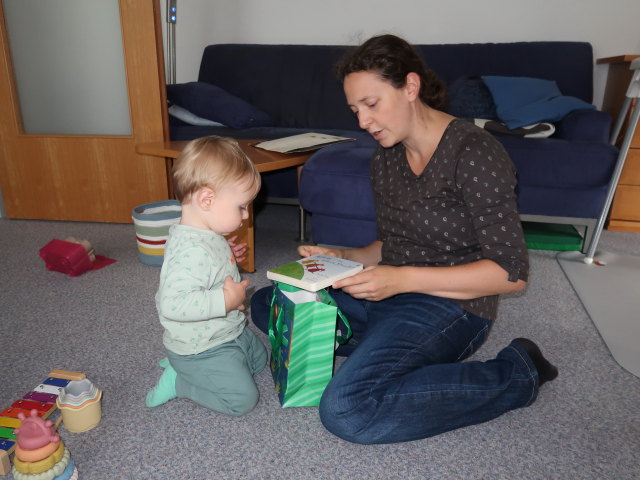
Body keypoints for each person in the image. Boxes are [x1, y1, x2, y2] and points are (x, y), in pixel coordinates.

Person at [251, 34, 558, 444]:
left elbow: (511, 274)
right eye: (355, 109)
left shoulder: (475, 153)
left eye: (372, 104)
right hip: (390, 296)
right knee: (269, 304)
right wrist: (343, 255)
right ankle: (396, 359)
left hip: (452, 308)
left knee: (347, 410)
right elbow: (391, 246)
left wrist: (401, 280)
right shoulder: (387, 157)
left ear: (410, 87)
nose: (362, 122)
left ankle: (518, 372)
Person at [146, 136, 267, 416]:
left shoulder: (206, 233)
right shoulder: (190, 251)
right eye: (241, 206)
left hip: (227, 330)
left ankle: (186, 367)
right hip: (202, 347)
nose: (246, 215)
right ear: (207, 199)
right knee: (242, 399)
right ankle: (181, 381)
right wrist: (224, 301)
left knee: (259, 362)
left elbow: (207, 269)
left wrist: (228, 254)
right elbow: (173, 304)